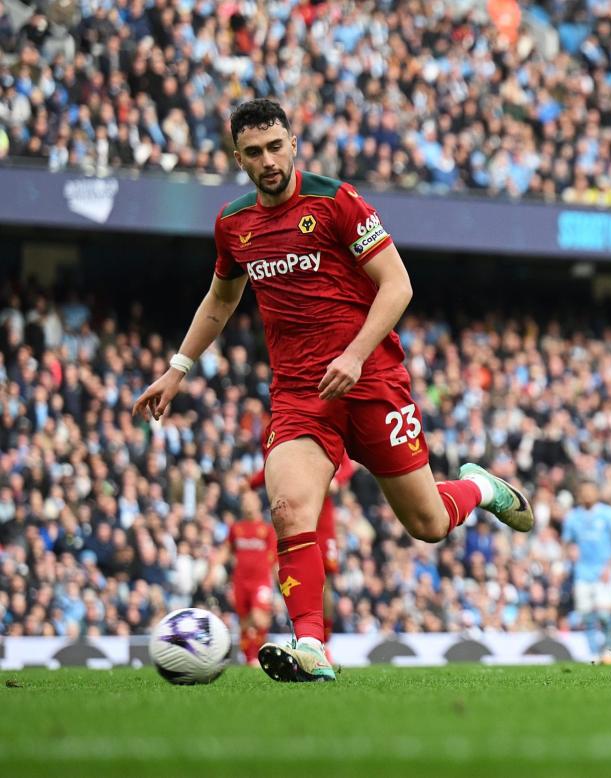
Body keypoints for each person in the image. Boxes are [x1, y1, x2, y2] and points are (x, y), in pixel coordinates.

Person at [132, 99, 534, 683]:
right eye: (253, 152)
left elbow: (397, 285)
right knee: (290, 509)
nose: (267, 161)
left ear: (293, 143)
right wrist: (178, 368)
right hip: (299, 394)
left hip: (372, 382)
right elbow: (221, 298)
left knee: (426, 524)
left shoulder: (337, 202)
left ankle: (479, 486)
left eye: (275, 147)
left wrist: (354, 352)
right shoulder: (234, 223)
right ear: (237, 157)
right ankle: (312, 647)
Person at [248, 458, 352, 655]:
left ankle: (323, 643)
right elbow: (272, 463)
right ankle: (303, 637)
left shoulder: (330, 431)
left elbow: (346, 464)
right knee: (295, 576)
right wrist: (250, 483)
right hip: (295, 516)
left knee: (326, 583)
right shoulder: (282, 433)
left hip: (323, 521)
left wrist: (337, 480)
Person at [562, 481, 611, 664]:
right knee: (587, 616)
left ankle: (610, 650)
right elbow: (566, 543)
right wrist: (570, 550)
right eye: (584, 492)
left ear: (597, 493)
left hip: (603, 571)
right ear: (579, 495)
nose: (587, 495)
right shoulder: (573, 517)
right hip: (582, 573)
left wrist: (610, 565)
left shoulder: (608, 513)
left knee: (604, 615)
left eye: (591, 491)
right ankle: (594, 654)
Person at [224, 489, 277, 666]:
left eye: (250, 500)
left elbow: (274, 559)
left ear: (258, 503)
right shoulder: (236, 529)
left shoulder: (267, 530)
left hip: (260, 581)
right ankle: (249, 659)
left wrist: (280, 584)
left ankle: (261, 655)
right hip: (240, 581)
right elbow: (227, 550)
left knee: (259, 616)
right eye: (244, 500)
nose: (247, 504)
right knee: (245, 620)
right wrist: (212, 568)